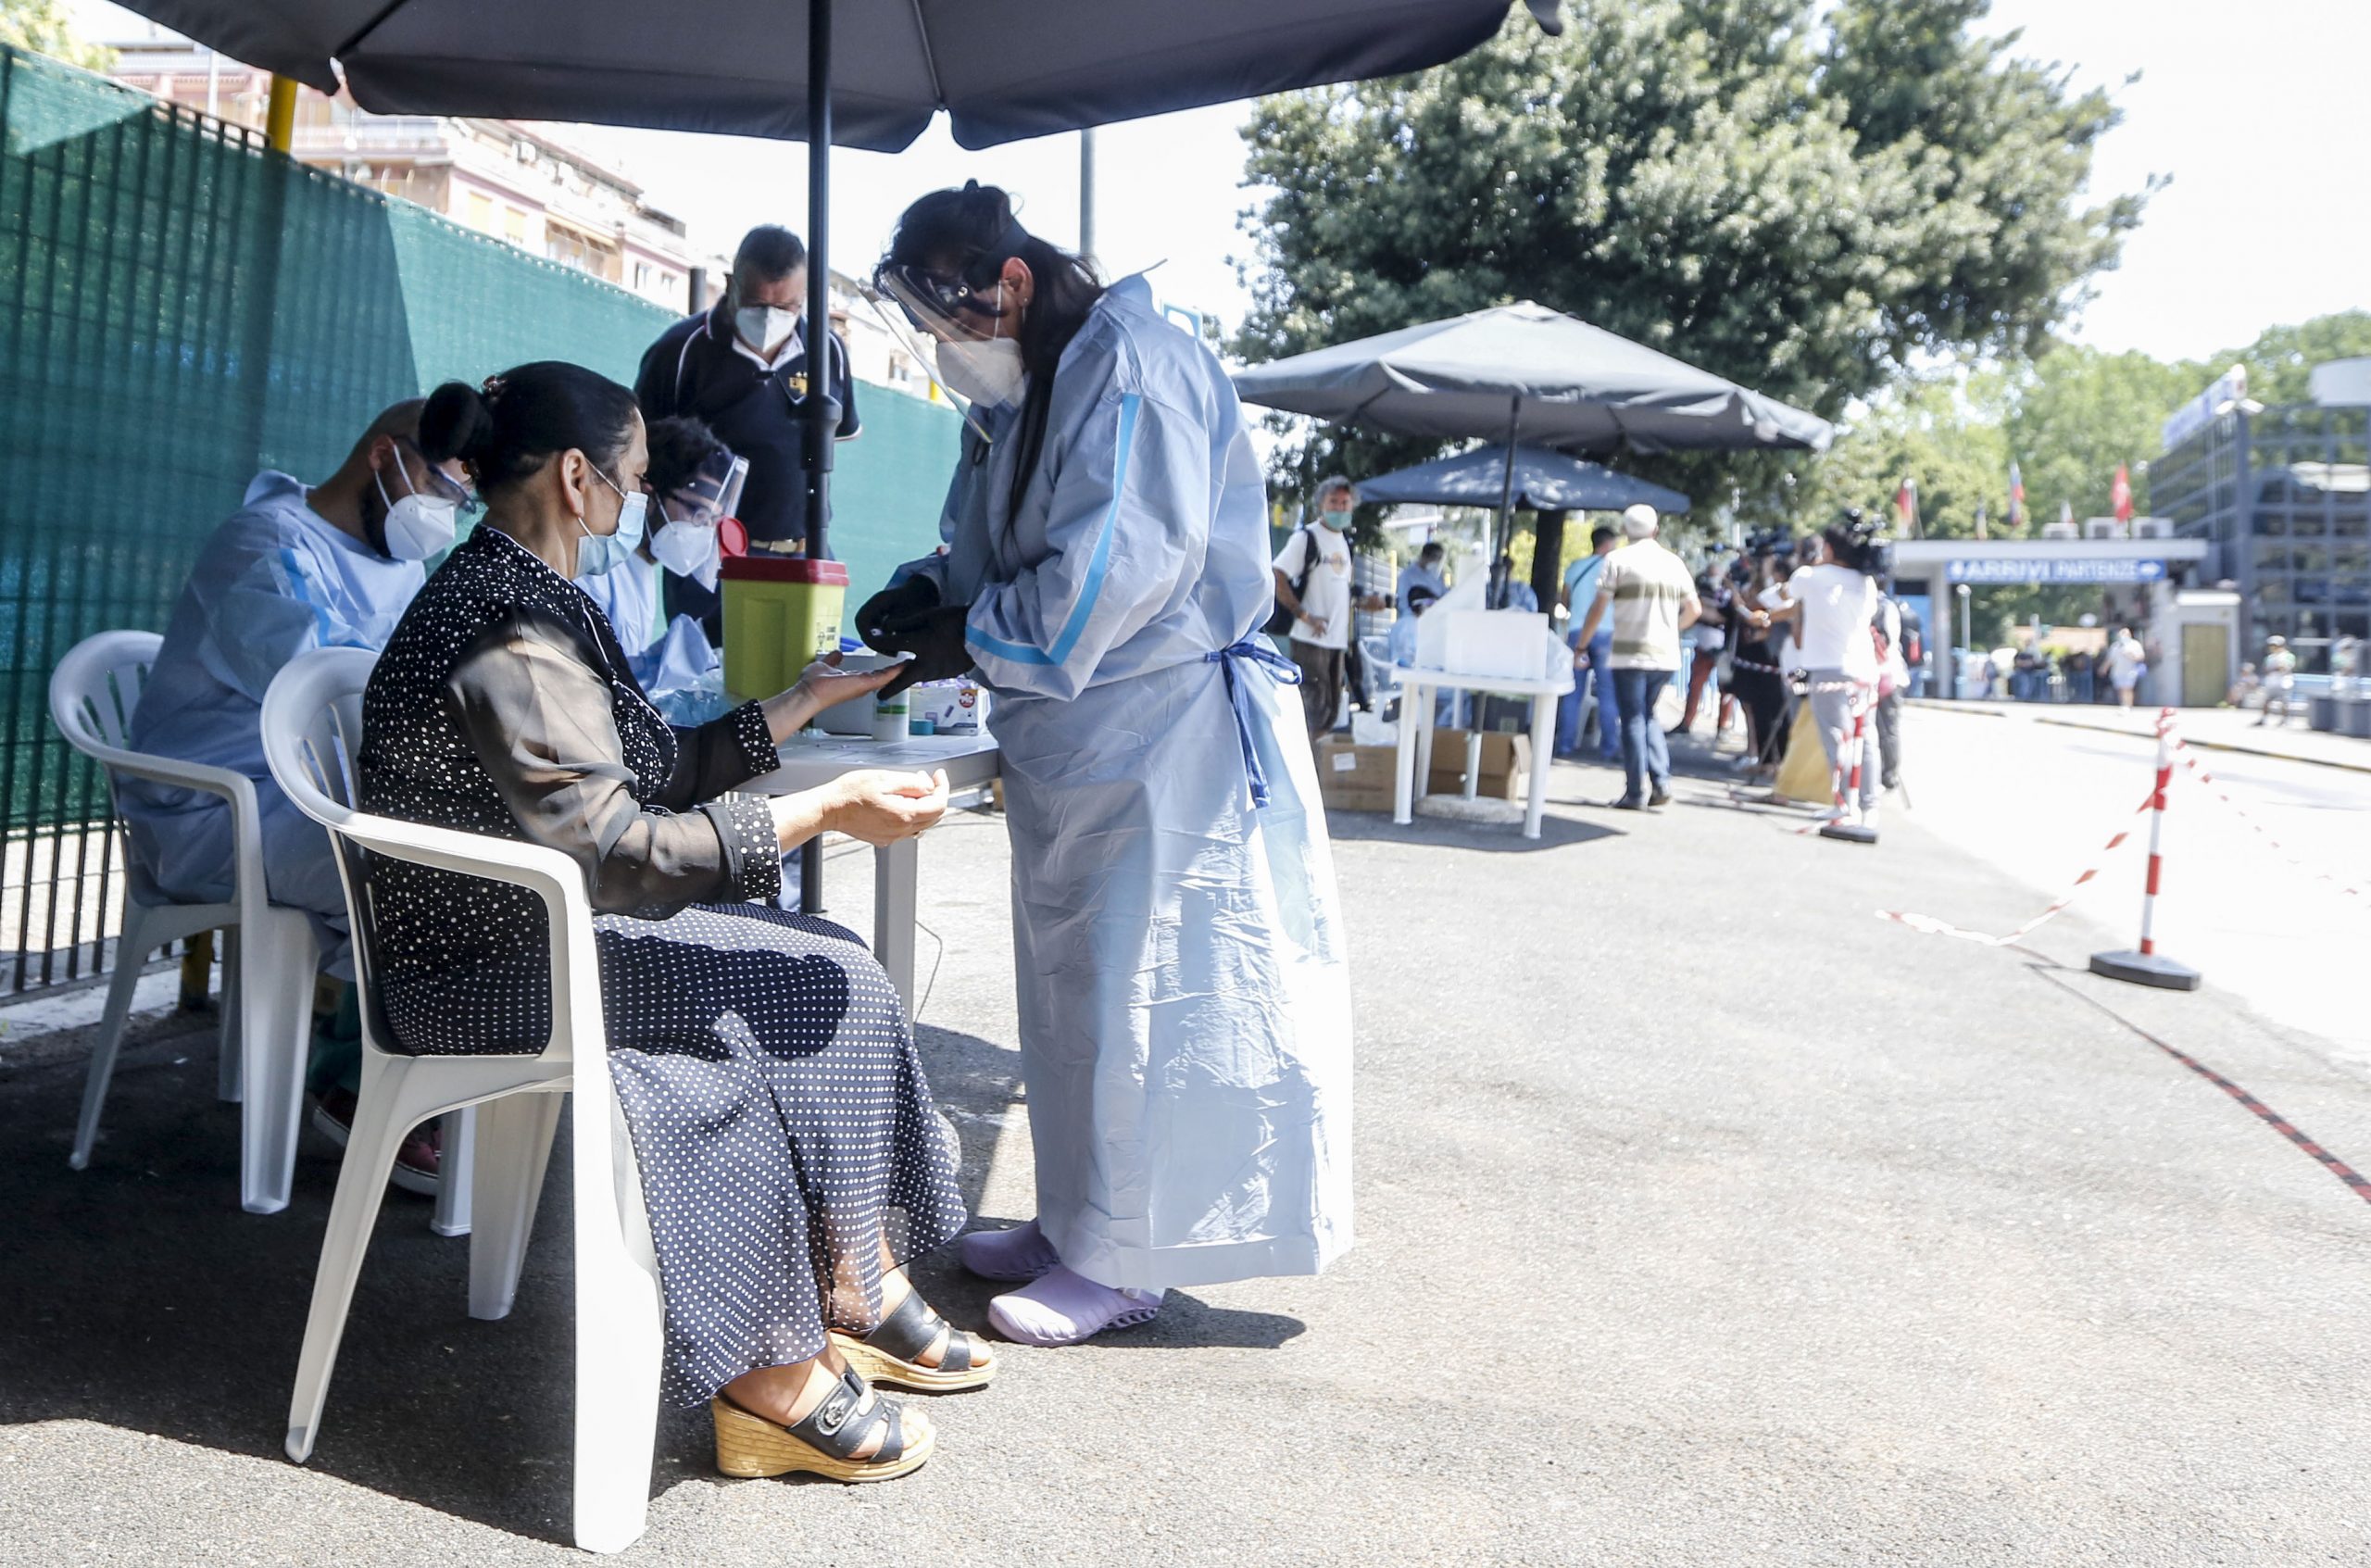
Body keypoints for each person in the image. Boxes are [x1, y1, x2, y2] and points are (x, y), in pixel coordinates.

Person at [365, 361, 977, 1485]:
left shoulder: (535, 592)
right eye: (639, 478)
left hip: (537, 936)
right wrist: (821, 805)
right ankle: (764, 1371)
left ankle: (856, 1273)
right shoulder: (504, 626)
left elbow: (650, 769)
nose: (644, 502)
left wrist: (799, 700)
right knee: (737, 1007)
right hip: (473, 968)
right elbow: (617, 853)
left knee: (824, 956)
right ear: (575, 475)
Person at [858, 182, 1352, 1346]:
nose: (944, 350)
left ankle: (1126, 1258)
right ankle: (1077, 1221)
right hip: (1079, 741)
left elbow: (1119, 570)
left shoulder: (1131, 364)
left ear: (1011, 283)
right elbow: (991, 539)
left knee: (1147, 1002)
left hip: (1158, 733)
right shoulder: (1027, 386)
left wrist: (968, 635)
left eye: (949, 321)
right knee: (1072, 1000)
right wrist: (935, 591)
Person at [119, 400, 469, 1189]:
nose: (445, 514)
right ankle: (359, 1089)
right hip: (219, 810)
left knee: (453, 857)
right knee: (409, 870)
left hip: (301, 801)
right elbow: (318, 692)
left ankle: (393, 1076)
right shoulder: (265, 543)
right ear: (385, 455)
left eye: (461, 500)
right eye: (441, 488)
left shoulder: (399, 562)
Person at [634, 224, 858, 560]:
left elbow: (838, 433)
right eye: (756, 303)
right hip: (710, 553)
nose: (770, 318)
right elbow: (639, 450)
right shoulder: (680, 350)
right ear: (730, 284)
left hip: (806, 548)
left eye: (787, 308)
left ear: (804, 297)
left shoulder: (827, 351)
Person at [575, 415, 736, 722]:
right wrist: (702, 638)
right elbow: (597, 684)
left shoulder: (642, 568)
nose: (703, 530)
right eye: (697, 512)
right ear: (648, 495)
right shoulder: (597, 567)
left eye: (712, 520)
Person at [1761, 511, 1886, 838]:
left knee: (1836, 738)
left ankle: (1845, 804)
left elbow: (1773, 599)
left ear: (1828, 548)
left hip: (1828, 666)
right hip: (1864, 668)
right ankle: (1867, 805)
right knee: (1864, 738)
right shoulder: (1866, 581)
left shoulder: (1810, 576)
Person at [1573, 504, 1699, 809]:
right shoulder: (1673, 562)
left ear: (1626, 531)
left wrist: (1581, 646)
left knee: (1632, 717)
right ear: (1656, 530)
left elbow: (1599, 607)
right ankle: (1661, 781)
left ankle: (1634, 791)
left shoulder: (1617, 560)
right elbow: (1694, 609)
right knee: (1649, 713)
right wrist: (1672, 630)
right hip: (1666, 655)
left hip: (1630, 653)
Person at [1273, 475, 1386, 744]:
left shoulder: (1344, 541)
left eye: (1345, 503)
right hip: (1311, 641)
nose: (1339, 508)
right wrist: (1304, 615)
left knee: (1330, 714)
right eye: (1333, 502)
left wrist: (1362, 603)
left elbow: (1338, 590)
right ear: (1321, 503)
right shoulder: (1306, 538)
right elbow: (1277, 574)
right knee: (1311, 711)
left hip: (1337, 642)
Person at [1555, 525, 1620, 761]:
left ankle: (1565, 745)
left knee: (1573, 692)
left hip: (1576, 633)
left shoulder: (1575, 567)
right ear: (1607, 545)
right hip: (1606, 634)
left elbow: (1565, 599)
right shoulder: (1614, 569)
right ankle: (1609, 748)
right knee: (1607, 693)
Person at [1677, 571, 1729, 735]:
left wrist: (1706, 610)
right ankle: (1687, 722)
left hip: (1723, 649)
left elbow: (1721, 618)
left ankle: (1723, 727)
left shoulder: (1727, 599)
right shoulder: (1698, 601)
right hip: (1703, 648)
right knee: (1695, 686)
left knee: (1726, 690)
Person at [1397, 540, 1448, 614]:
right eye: (1436, 558)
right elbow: (1402, 603)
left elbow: (1444, 595)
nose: (1438, 563)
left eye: (1440, 559)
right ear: (1425, 556)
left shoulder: (1438, 576)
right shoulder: (1408, 575)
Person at [2260, 634, 2300, 726]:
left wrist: (2278, 667)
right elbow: (2267, 669)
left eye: (2275, 645)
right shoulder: (2270, 657)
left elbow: (2285, 668)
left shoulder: (2288, 656)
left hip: (2284, 681)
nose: (2273, 647)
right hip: (2272, 681)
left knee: (2285, 701)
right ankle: (2263, 719)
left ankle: (2284, 720)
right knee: (2267, 700)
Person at [2104, 626, 2145, 709]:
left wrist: (2130, 655)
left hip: (2130, 671)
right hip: (2118, 671)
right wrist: (2104, 668)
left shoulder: (2135, 644)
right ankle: (2123, 704)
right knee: (2121, 689)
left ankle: (2128, 706)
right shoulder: (2115, 646)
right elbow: (2110, 659)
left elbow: (2141, 657)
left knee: (2128, 688)